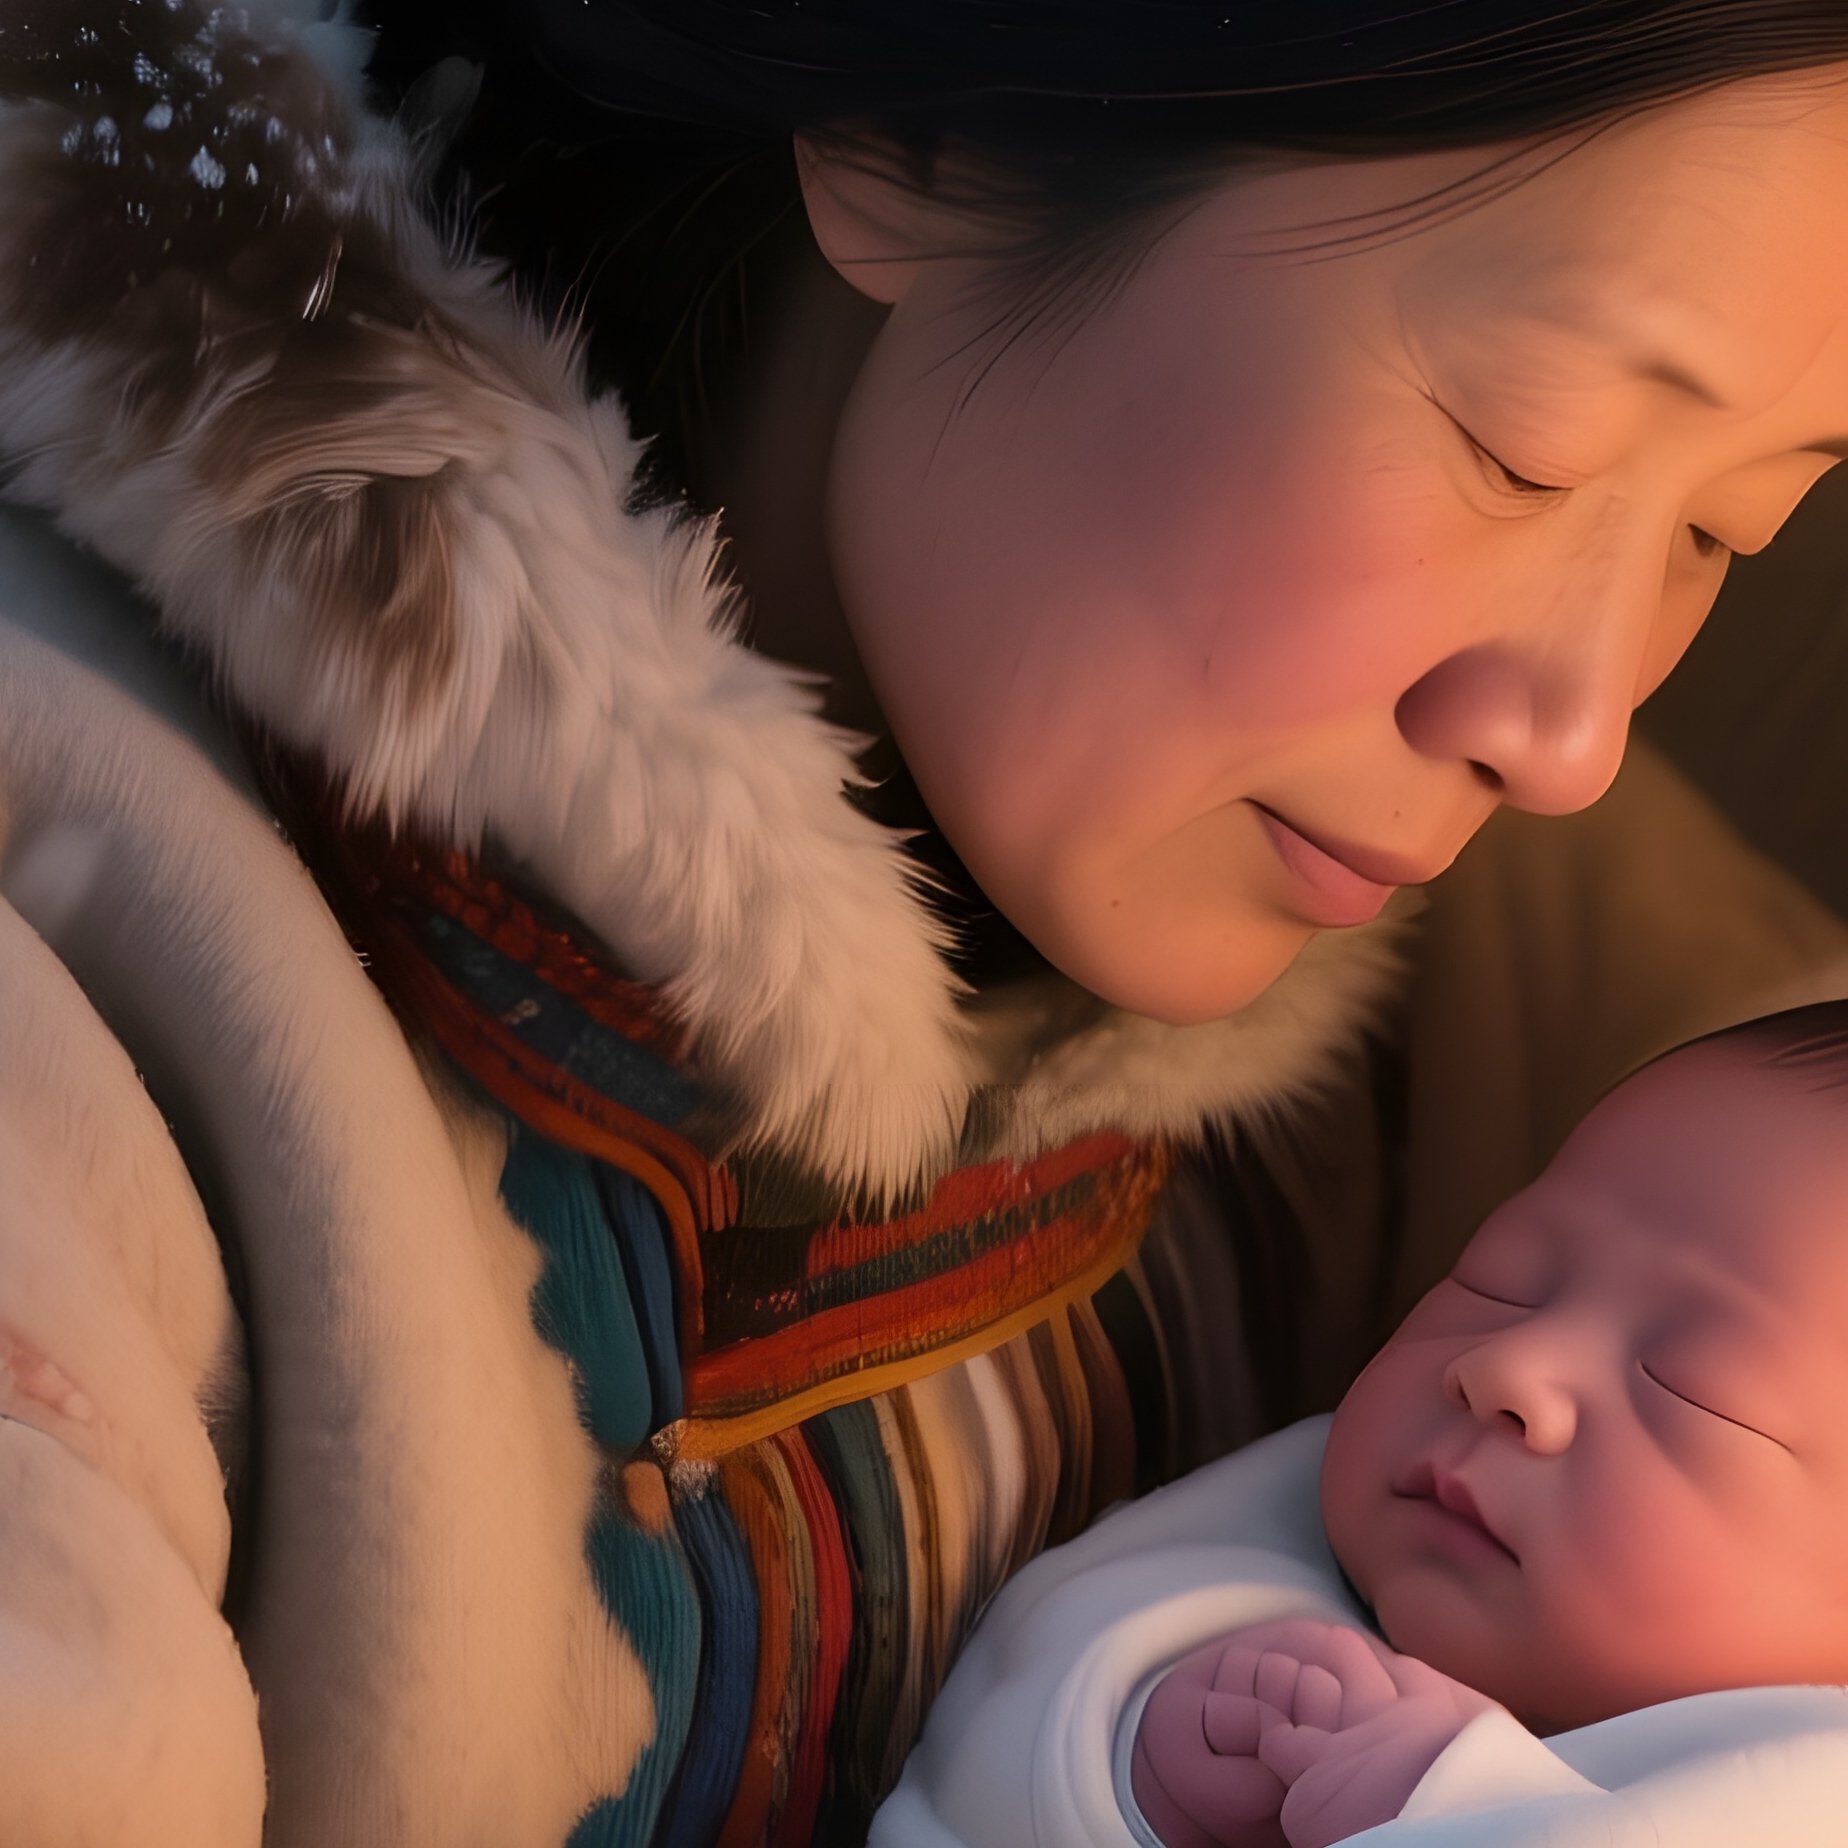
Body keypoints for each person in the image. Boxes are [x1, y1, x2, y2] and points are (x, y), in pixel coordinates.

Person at [5, 2, 1848, 1843]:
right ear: (926, 131)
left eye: (1721, 535)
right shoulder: (83, 913)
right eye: (1524, 447)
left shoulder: (1577, 994)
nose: (1572, 735)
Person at [875, 1003, 1848, 1848]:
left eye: (1695, 1390)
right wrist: (1138, 1770)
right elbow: (984, 1744)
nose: (1505, 1367)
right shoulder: (1276, 1546)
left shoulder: (1808, 1786)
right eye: (1502, 1279)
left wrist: (1455, 1805)